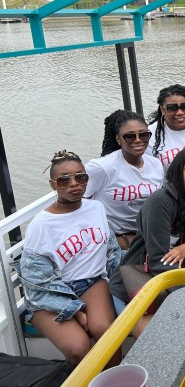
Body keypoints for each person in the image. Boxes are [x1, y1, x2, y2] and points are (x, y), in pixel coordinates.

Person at [15, 151, 121, 367]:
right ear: (53, 184)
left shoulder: (96, 208)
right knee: (77, 347)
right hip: (50, 294)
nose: (74, 184)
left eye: (81, 177)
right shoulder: (41, 225)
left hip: (91, 283)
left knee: (107, 333)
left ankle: (116, 379)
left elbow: (110, 250)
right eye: (64, 180)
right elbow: (37, 282)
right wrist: (73, 310)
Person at [110, 147, 185, 333]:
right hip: (138, 280)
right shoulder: (160, 202)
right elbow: (157, 261)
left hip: (176, 279)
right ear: (177, 171)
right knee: (158, 340)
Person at [85, 110, 164, 250]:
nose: (138, 140)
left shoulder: (156, 164)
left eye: (144, 135)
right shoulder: (102, 168)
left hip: (147, 236)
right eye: (130, 136)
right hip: (115, 241)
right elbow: (80, 202)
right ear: (118, 139)